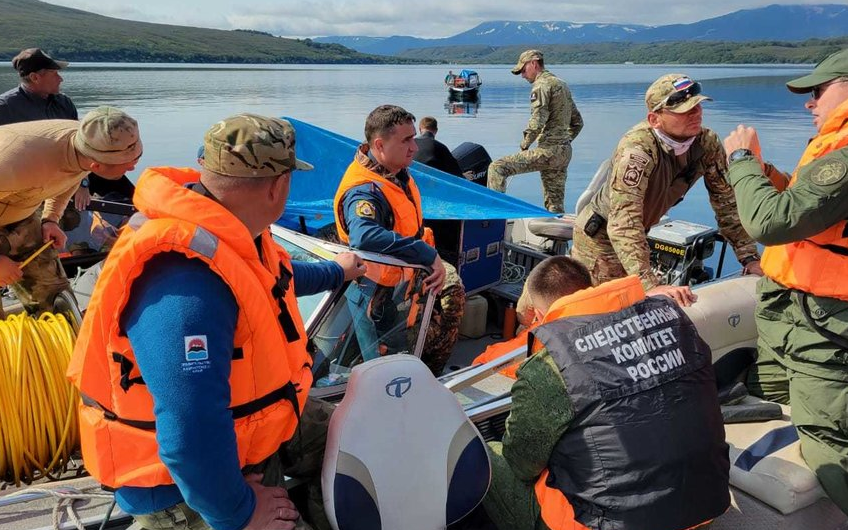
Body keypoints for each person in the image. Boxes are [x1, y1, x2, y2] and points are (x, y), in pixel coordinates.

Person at [68, 113, 367, 530]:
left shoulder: (229, 229)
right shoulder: (187, 281)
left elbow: (273, 278)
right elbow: (190, 428)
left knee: (356, 433)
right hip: (180, 486)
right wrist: (240, 513)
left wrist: (337, 272)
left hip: (244, 434)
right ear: (279, 186)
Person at [483, 256, 730, 530]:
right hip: (701, 514)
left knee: (486, 454)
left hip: (606, 524)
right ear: (591, 287)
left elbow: (521, 464)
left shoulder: (550, 366)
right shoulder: (678, 325)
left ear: (539, 317)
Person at [722, 48, 848, 514]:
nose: (809, 103)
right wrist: (764, 171)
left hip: (826, 327)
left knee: (828, 448)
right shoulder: (833, 148)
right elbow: (807, 201)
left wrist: (739, 160)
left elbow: (770, 223)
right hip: (796, 312)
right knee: (765, 386)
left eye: (818, 91)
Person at [571, 73, 761, 307]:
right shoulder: (638, 149)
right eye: (685, 110)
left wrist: (749, 257)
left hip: (639, 234)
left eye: (698, 106)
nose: (696, 113)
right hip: (600, 240)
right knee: (604, 311)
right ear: (655, 119)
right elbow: (623, 221)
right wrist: (649, 284)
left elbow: (726, 203)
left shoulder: (707, 144)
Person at [333, 104, 463, 373]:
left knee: (453, 290)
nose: (414, 147)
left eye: (413, 138)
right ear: (380, 145)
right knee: (385, 362)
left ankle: (429, 373)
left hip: (407, 278)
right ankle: (413, 373)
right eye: (406, 140)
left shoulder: (394, 172)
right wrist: (426, 254)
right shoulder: (364, 192)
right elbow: (364, 236)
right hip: (379, 293)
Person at [0, 106, 141, 317]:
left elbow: (71, 176)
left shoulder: (88, 140)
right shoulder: (13, 164)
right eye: (128, 163)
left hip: (20, 211)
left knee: (55, 299)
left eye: (137, 157)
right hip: (9, 187)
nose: (132, 169)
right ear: (97, 165)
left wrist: (51, 218)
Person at [487, 50, 583, 213]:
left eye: (523, 70)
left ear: (534, 63)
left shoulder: (541, 86)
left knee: (497, 168)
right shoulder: (562, 84)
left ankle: (493, 218)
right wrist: (564, 142)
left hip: (548, 151)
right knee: (555, 204)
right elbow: (578, 123)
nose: (523, 76)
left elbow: (538, 120)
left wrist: (526, 143)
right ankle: (558, 238)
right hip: (564, 152)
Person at [0, 48, 78, 126]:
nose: (60, 79)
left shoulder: (65, 103)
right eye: (54, 73)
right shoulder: (5, 107)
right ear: (34, 78)